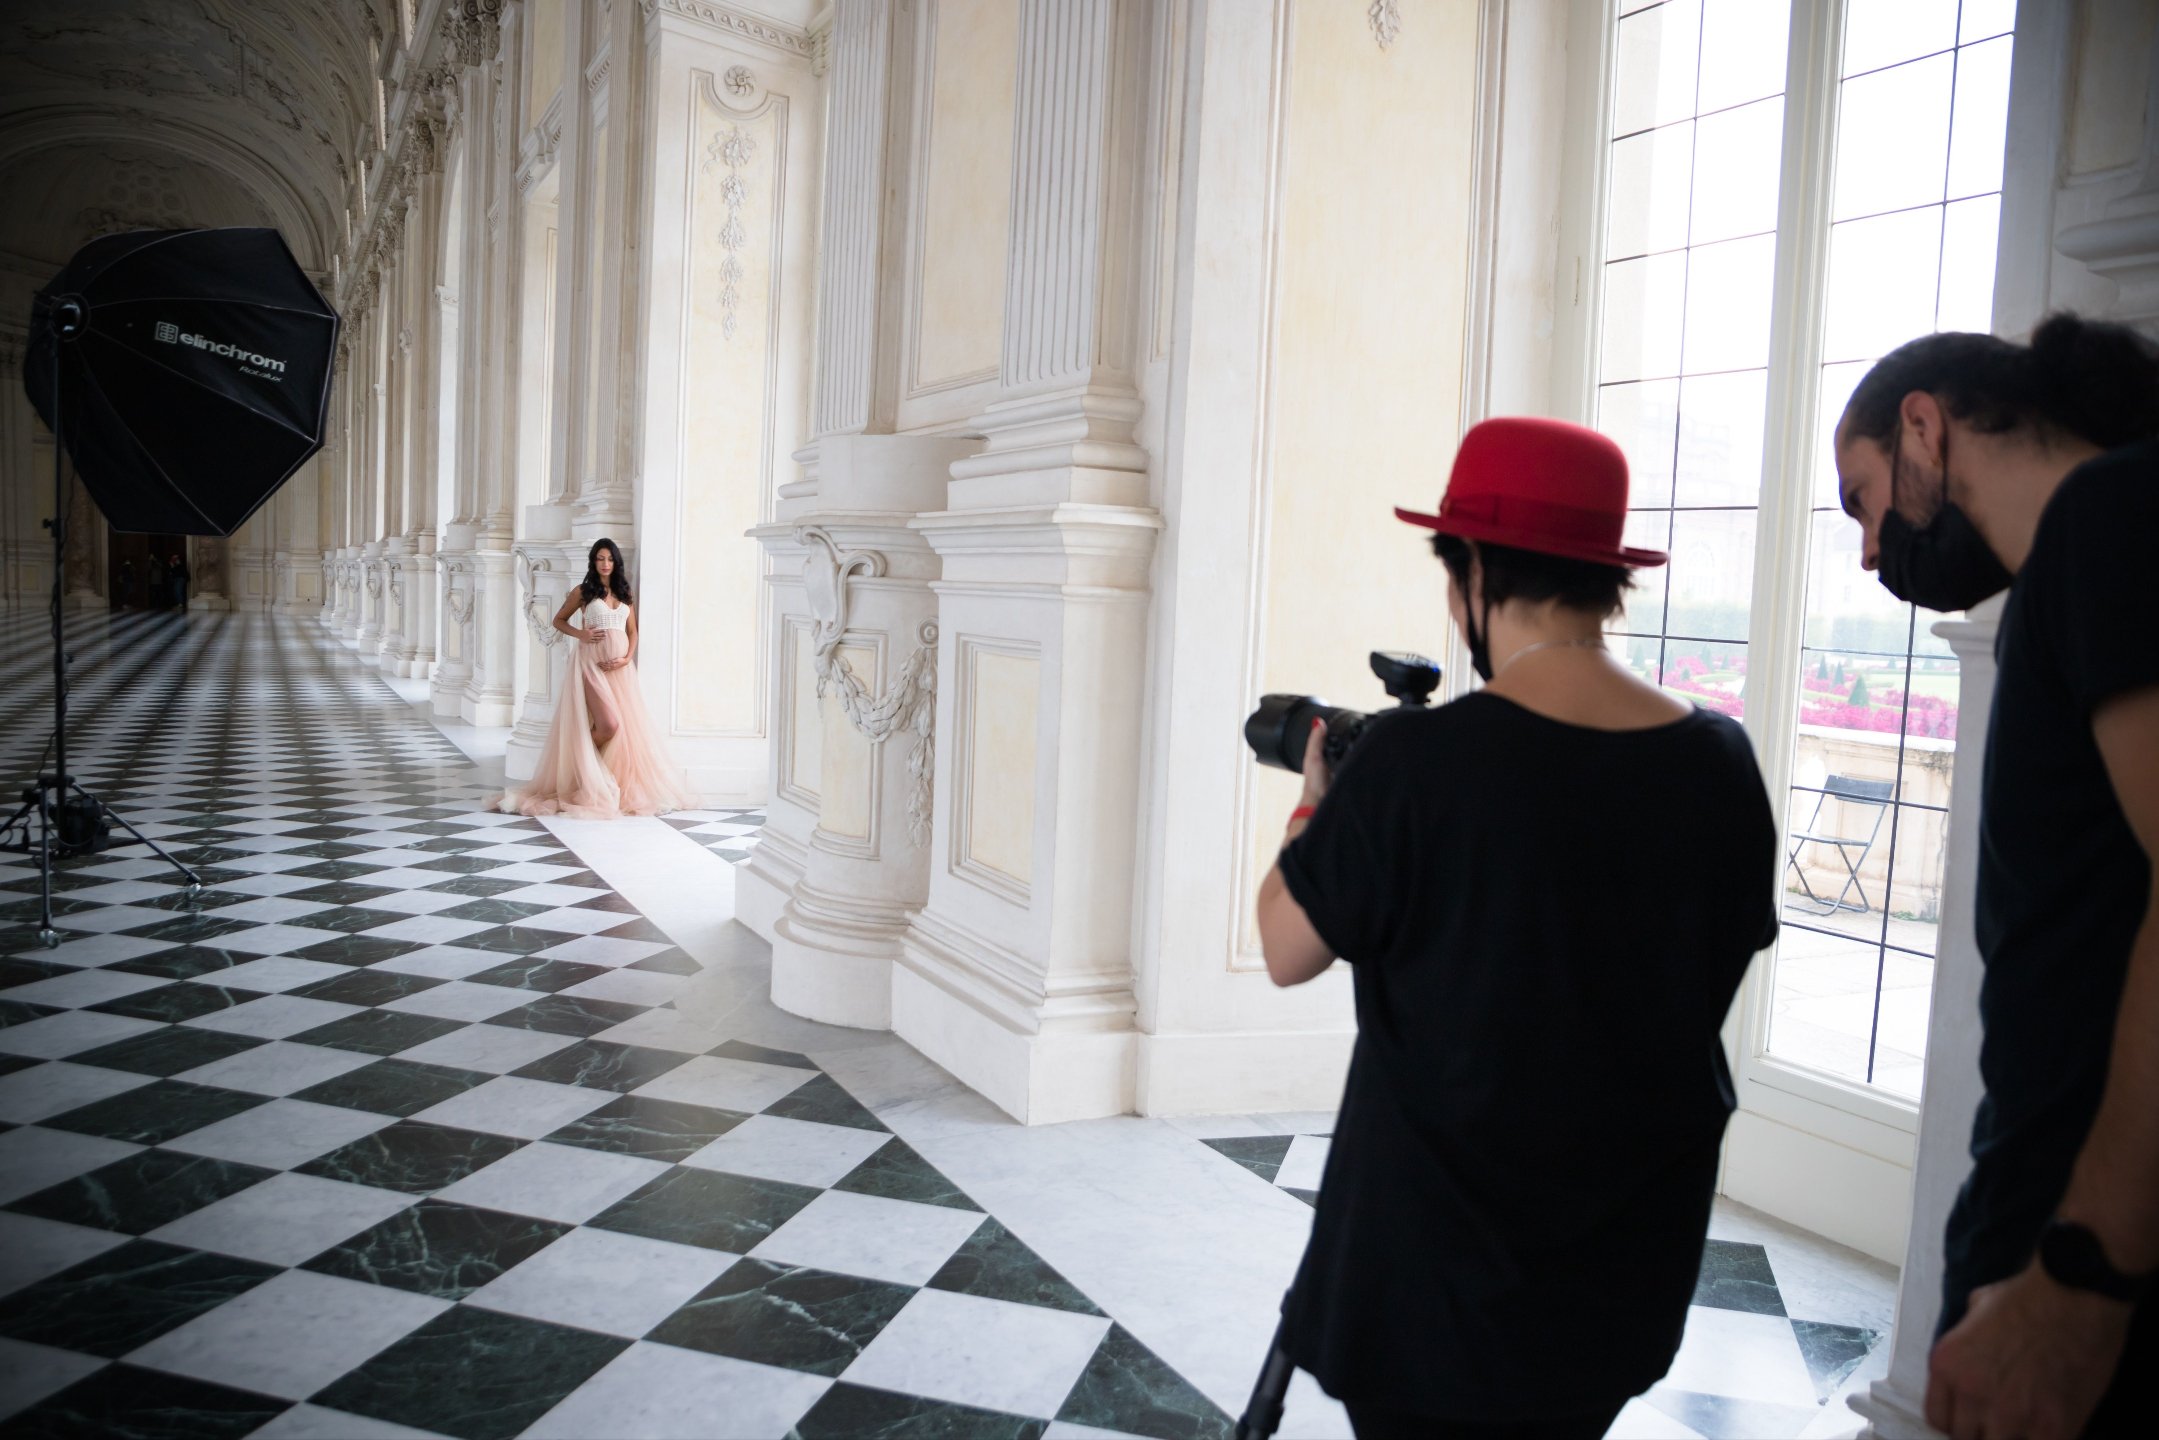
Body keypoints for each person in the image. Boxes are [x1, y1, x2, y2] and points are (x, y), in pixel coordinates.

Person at [1257, 417, 1779, 1438]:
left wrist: (1316, 802)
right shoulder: (1719, 761)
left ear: (1473, 576)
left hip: (1432, 1274)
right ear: (1606, 582)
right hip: (1624, 1257)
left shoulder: (1416, 764)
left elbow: (1286, 948)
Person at [1831, 313, 2158, 1439]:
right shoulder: (2072, 568)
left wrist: (2078, 1273)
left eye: (1860, 500)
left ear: (1923, 426)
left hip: (2077, 1254)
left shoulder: (2110, 518)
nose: (1868, 552)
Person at [499, 537, 693, 819]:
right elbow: (558, 620)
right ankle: (578, 760)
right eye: (600, 559)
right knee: (610, 724)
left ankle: (591, 772)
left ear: (616, 563)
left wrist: (627, 658)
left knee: (626, 729)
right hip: (591, 665)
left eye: (610, 559)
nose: (605, 564)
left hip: (620, 670)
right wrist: (582, 634)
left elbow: (633, 631)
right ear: (593, 561)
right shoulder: (583, 592)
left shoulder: (624, 592)